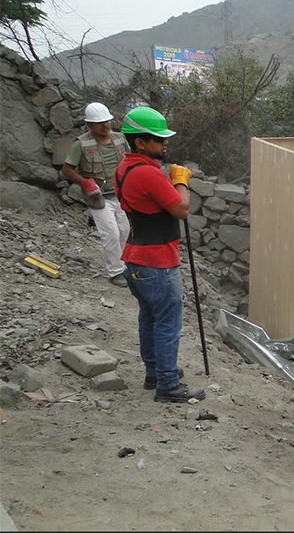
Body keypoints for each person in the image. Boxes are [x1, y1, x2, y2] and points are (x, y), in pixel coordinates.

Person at [115, 106, 205, 403]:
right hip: (158, 263)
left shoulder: (124, 169)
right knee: (167, 322)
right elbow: (181, 209)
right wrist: (180, 181)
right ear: (140, 142)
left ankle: (154, 372)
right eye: (158, 138)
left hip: (135, 258)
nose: (165, 143)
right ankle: (168, 385)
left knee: (150, 318)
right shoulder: (147, 174)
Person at [61, 103, 130, 287]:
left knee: (126, 230)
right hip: (99, 198)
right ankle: (116, 272)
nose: (105, 126)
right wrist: (84, 182)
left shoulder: (120, 139)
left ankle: (127, 267)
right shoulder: (81, 144)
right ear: (89, 125)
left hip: (121, 194)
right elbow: (67, 169)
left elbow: (130, 161)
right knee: (112, 233)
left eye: (107, 121)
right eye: (99, 123)